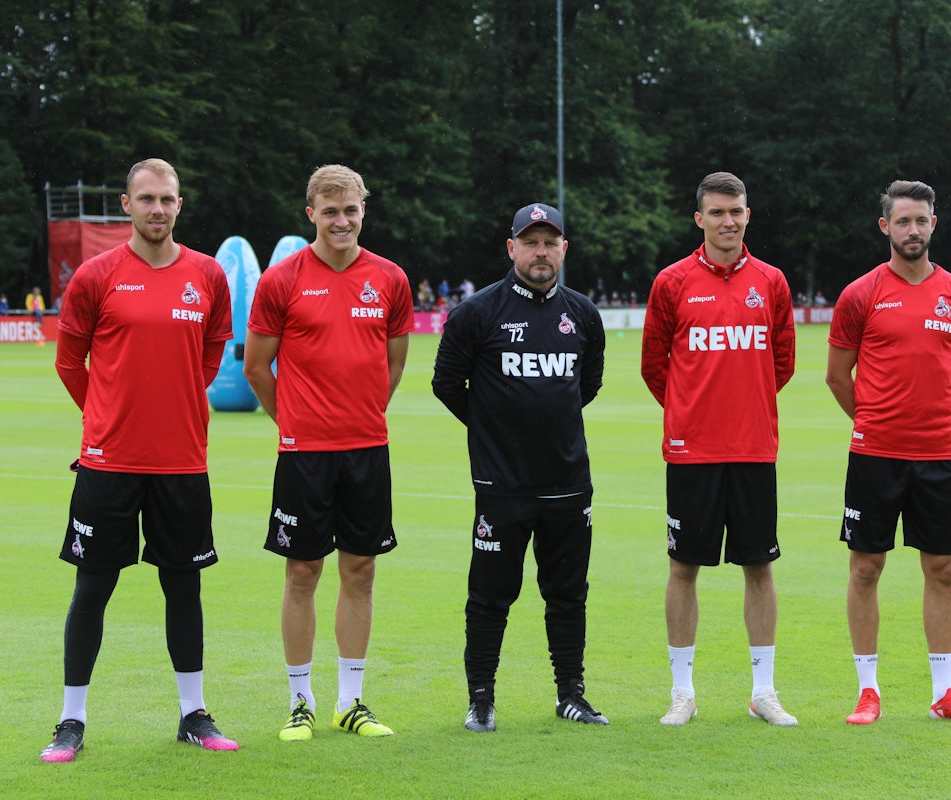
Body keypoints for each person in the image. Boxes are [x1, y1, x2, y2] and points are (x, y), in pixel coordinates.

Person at [39, 157, 238, 763]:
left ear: (180, 205)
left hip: (181, 461)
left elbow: (209, 357)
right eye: (146, 198)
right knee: (92, 587)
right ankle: (71, 720)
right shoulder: (96, 275)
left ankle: (193, 714)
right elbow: (70, 363)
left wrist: (176, 408)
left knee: (184, 589)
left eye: (168, 199)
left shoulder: (206, 276)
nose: (158, 209)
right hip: (108, 462)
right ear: (126, 204)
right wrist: (103, 416)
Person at [244, 164, 415, 742]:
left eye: (351, 210)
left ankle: (351, 701)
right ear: (310, 213)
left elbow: (393, 364)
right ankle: (300, 702)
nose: (342, 221)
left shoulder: (389, 278)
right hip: (304, 453)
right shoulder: (282, 279)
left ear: (363, 211)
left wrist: (363, 412)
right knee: (302, 572)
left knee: (361, 571)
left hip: (367, 448)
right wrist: (292, 422)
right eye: (330, 210)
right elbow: (255, 366)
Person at [432, 202, 607, 733]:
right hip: (501, 487)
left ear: (563, 250)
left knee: (568, 596)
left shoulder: (582, 314)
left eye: (549, 242)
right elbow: (446, 384)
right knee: (489, 598)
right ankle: (481, 699)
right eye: (530, 242)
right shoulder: (477, 313)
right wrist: (490, 429)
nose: (540, 252)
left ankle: (571, 695)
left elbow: (587, 387)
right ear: (511, 248)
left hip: (568, 485)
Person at [641, 171, 798, 727]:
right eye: (717, 212)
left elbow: (781, 363)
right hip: (692, 452)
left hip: (754, 449)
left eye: (736, 211)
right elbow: (654, 366)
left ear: (748, 215)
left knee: (760, 567)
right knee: (684, 567)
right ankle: (682, 692)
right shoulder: (672, 282)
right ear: (699, 218)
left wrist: (742, 403)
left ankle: (763, 692)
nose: (727, 221)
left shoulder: (773, 282)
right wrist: (692, 410)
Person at [825, 179, 951, 724]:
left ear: (934, 224)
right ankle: (868, 690)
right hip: (875, 454)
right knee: (866, 568)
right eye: (902, 221)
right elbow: (837, 377)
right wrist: (877, 423)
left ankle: (944, 691)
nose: (912, 229)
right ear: (885, 227)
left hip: (940, 453)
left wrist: (930, 417)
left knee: (944, 568)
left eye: (921, 220)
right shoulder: (861, 293)